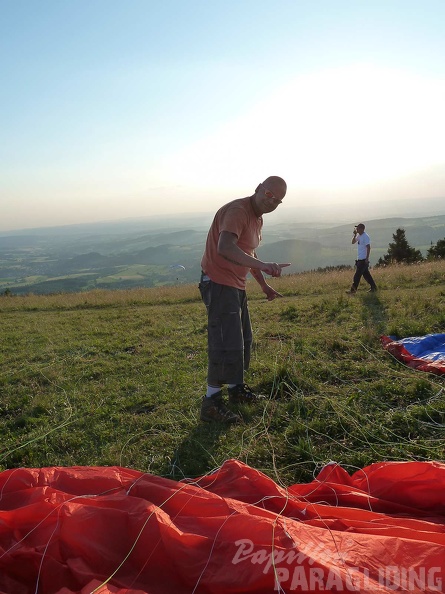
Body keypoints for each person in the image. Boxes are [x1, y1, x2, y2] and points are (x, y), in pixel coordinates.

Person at [199, 176, 290, 423]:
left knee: (242, 340)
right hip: (218, 283)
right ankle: (211, 403)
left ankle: (236, 390)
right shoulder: (239, 210)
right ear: (259, 188)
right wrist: (264, 265)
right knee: (224, 342)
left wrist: (263, 284)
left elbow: (248, 253)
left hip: (234, 285)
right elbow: (225, 248)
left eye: (278, 201)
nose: (272, 201)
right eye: (269, 194)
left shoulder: (256, 218)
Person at [347, 223, 377, 294]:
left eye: (358, 228)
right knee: (366, 275)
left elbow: (368, 247)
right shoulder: (359, 236)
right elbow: (353, 242)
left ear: (362, 229)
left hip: (363, 260)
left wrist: (367, 258)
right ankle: (374, 288)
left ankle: (353, 291)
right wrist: (354, 235)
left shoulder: (365, 236)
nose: (356, 229)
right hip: (360, 259)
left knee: (357, 276)